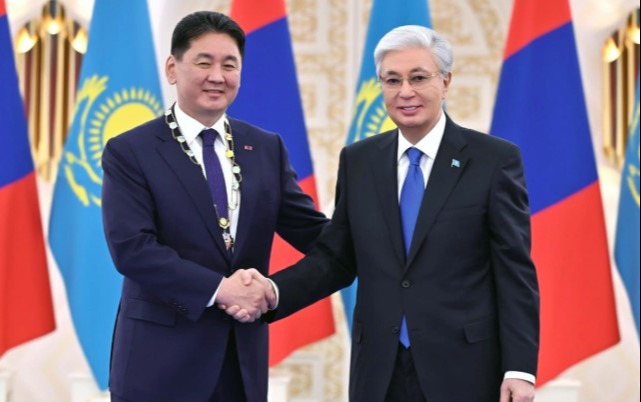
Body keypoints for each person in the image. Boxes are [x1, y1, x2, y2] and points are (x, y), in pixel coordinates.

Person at [228, 25, 539, 402]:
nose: (405, 91)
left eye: (418, 78)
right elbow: (336, 258)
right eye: (392, 80)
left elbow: (514, 271)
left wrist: (520, 369)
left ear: (445, 81)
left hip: (464, 369)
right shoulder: (359, 160)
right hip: (378, 371)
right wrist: (272, 291)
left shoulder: (493, 160)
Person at [101, 11, 328, 402]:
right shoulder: (130, 151)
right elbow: (132, 248)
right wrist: (220, 289)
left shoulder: (266, 148)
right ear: (172, 68)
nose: (217, 76)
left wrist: (384, 233)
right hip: (158, 365)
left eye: (230, 65)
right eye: (204, 62)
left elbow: (315, 234)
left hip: (240, 362)